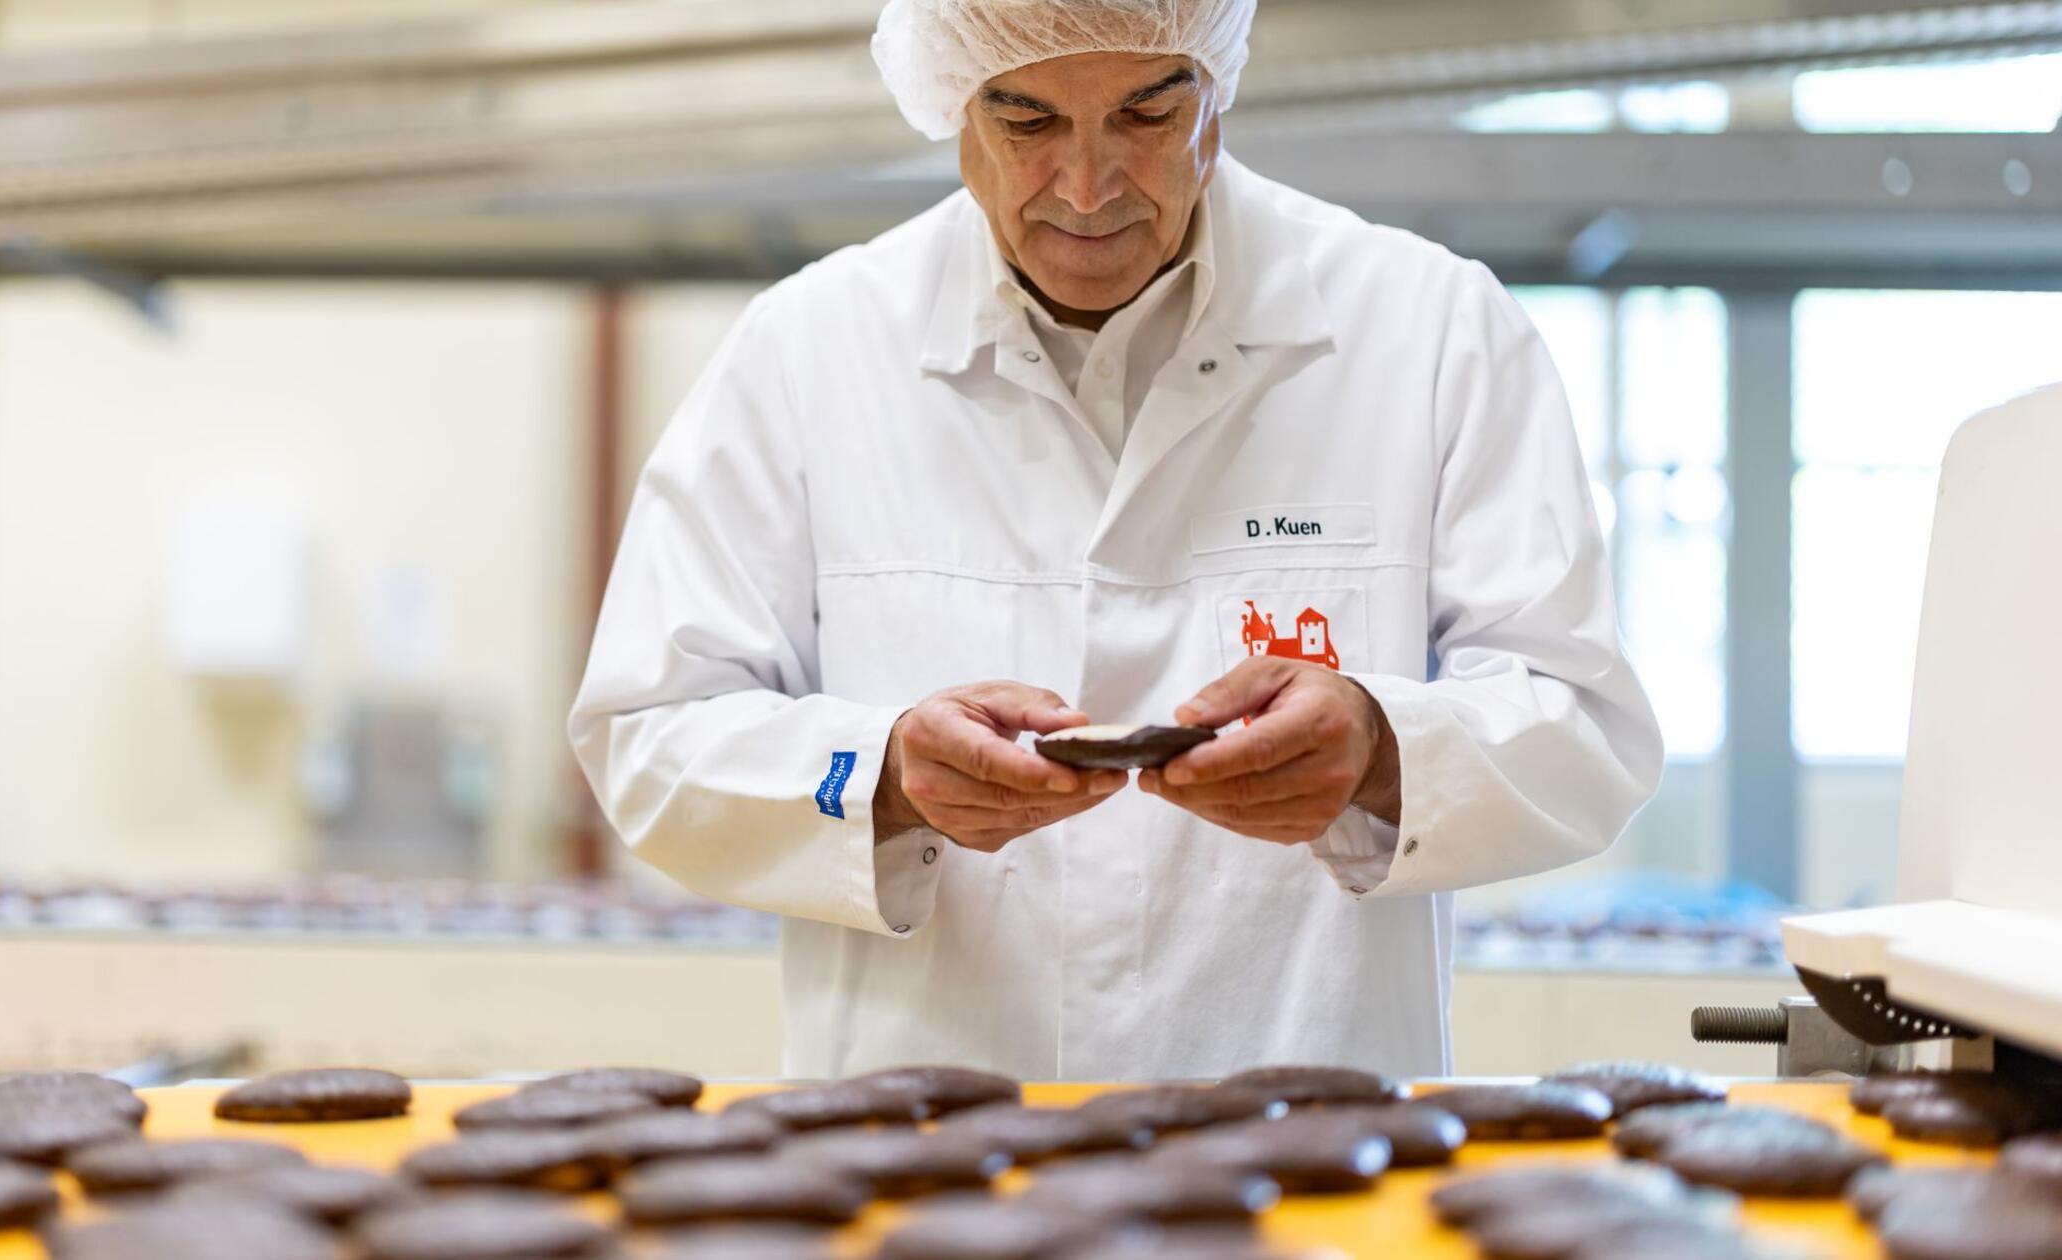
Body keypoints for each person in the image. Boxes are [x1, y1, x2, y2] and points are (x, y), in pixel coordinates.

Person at [571, 0, 1663, 1080]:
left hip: (1305, 1152)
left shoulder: (1430, 332)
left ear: (1215, 96)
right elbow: (651, 736)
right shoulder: (808, 352)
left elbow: (1582, 727)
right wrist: (884, 776)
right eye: (1026, 119)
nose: (1087, 188)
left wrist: (1382, 749)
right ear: (956, 107)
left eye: (1145, 113)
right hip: (934, 1163)